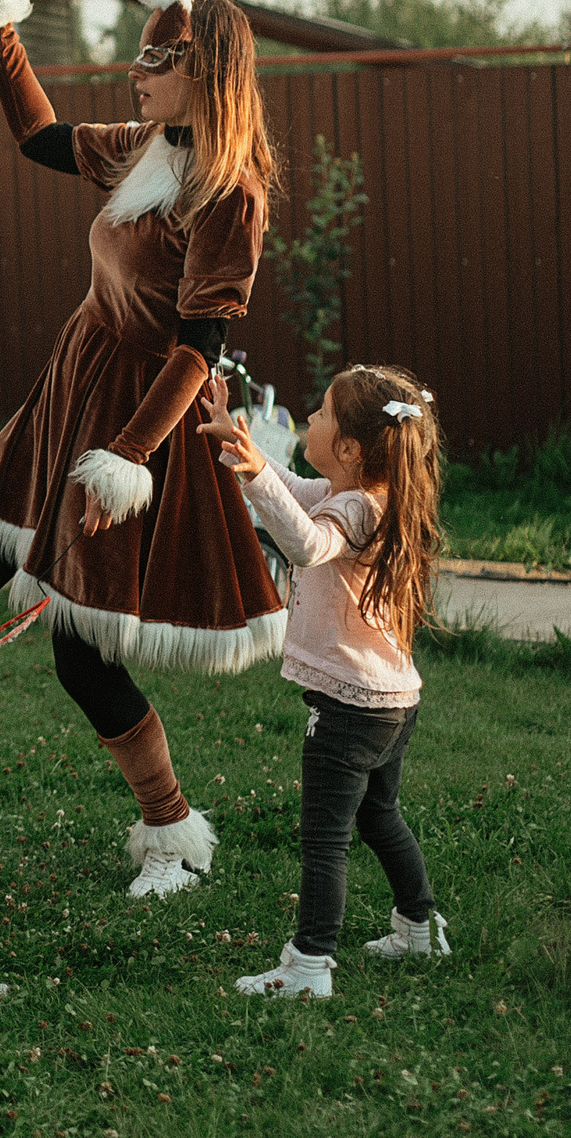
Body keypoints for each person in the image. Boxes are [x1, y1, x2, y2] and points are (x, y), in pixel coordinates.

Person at [0, 0, 286, 897]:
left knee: (79, 653)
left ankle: (174, 837)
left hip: (136, 421)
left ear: (203, 70)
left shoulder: (228, 191)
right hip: (65, 396)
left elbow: (199, 346)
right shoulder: (147, 144)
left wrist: (126, 457)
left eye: (156, 60)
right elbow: (42, 136)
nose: (135, 71)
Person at [201, 364, 450, 999]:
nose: (308, 418)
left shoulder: (355, 510)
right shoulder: (371, 495)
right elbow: (291, 491)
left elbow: (307, 544)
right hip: (392, 702)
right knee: (380, 817)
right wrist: (243, 447)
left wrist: (256, 474)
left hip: (348, 707)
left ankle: (309, 965)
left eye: (321, 414)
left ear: (348, 449)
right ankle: (418, 927)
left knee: (324, 839)